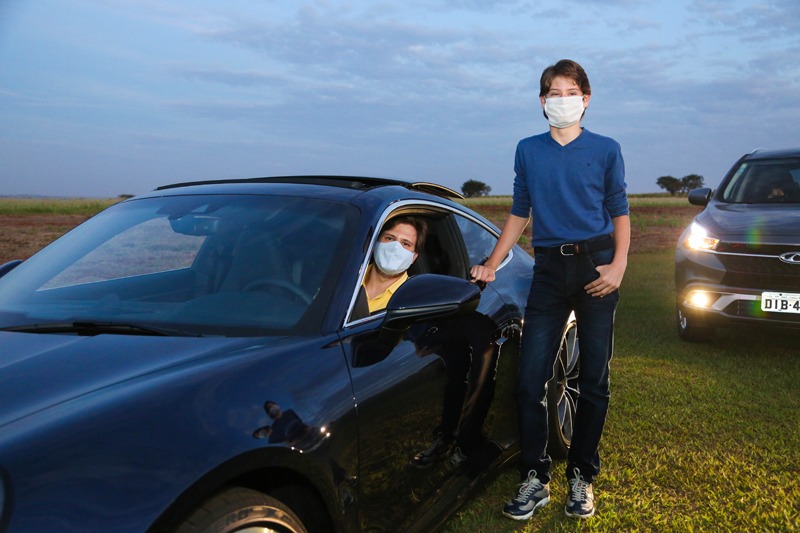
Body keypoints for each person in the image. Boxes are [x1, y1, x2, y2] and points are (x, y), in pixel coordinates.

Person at [470, 59, 630, 521]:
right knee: (529, 380)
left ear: (586, 98)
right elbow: (521, 210)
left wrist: (619, 265)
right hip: (548, 271)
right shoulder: (528, 149)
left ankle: (581, 475)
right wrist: (492, 264)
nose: (562, 99)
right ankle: (535, 476)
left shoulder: (606, 149)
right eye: (553, 93)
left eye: (571, 91)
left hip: (597, 265)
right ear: (543, 102)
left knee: (593, 380)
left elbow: (619, 210)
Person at [361, 216, 427, 314]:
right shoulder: (347, 277)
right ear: (375, 243)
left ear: (414, 257)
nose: (395, 248)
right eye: (390, 238)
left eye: (405, 243)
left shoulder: (413, 299)